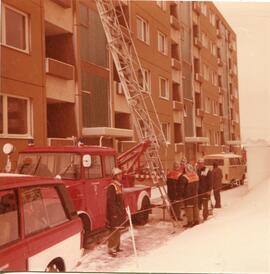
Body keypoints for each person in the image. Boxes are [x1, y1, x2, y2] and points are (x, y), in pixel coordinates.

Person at [106, 167, 127, 257]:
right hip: (114, 214)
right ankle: (111, 248)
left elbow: (121, 200)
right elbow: (111, 202)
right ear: (115, 176)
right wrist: (113, 214)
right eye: (119, 174)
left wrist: (123, 210)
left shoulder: (119, 185)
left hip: (120, 212)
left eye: (121, 174)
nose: (121, 176)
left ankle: (117, 247)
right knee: (113, 230)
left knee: (118, 230)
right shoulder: (112, 186)